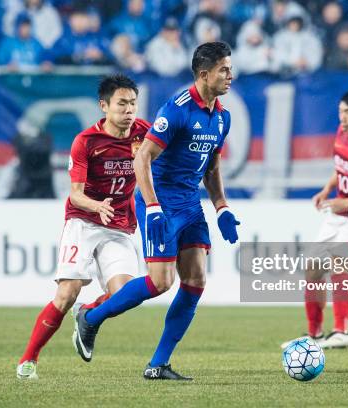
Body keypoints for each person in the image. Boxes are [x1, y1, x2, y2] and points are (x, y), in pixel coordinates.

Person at [73, 41, 240, 380]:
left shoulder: (223, 116)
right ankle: (90, 317)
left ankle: (158, 364)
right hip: (159, 201)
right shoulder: (177, 109)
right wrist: (150, 207)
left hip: (189, 203)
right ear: (204, 74)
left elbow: (211, 165)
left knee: (195, 280)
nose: (230, 75)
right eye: (224, 69)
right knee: (160, 282)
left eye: (230, 68)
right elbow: (142, 157)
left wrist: (221, 206)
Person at [16, 74, 150, 380]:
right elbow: (75, 193)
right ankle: (28, 361)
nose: (129, 110)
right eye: (121, 104)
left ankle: (89, 314)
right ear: (104, 106)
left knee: (125, 294)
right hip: (84, 221)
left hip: (120, 225)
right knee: (67, 293)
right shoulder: (86, 142)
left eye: (133, 103)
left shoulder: (144, 133)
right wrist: (98, 205)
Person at [283, 90, 348, 350]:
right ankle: (315, 335)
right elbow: (340, 167)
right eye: (341, 111)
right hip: (336, 214)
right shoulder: (342, 134)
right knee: (312, 266)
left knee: (339, 260)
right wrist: (326, 189)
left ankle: (342, 332)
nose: (343, 117)